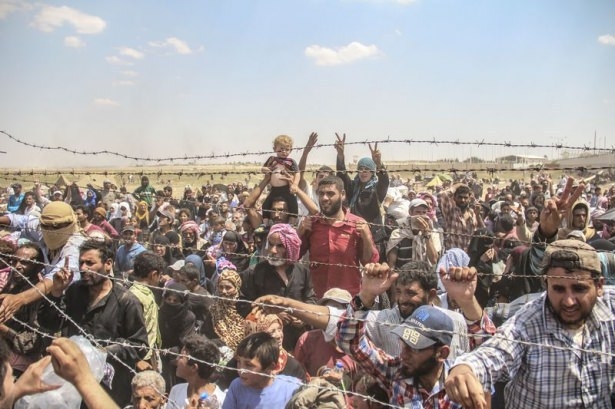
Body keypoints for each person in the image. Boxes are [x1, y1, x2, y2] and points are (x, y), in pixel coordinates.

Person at [445, 185, 615, 409]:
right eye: (559, 289)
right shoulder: (529, 321)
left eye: (579, 289)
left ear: (599, 286)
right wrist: (465, 369)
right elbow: (493, 353)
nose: (569, 301)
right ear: (545, 284)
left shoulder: (611, 308)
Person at [336, 263, 466, 407]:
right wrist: (366, 295)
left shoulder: (462, 386)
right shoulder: (396, 372)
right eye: (404, 344)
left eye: (415, 348)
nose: (403, 354)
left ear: (442, 353)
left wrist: (468, 300)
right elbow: (351, 343)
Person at [38, 239, 148, 406]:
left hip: (107, 387)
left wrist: (101, 352)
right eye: (81, 263)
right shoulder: (75, 291)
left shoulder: (126, 301)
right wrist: (56, 291)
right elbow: (49, 324)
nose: (83, 268)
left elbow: (140, 345)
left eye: (90, 263)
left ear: (108, 264)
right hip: (72, 384)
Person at [0, 201, 86, 324]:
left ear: (70, 223)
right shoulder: (41, 227)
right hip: (46, 296)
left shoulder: (75, 244)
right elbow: (20, 220)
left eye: (56, 226)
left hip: (70, 303)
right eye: (46, 226)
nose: (50, 230)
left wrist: (20, 299)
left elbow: (56, 277)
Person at [298, 175, 379, 298]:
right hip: (318, 297)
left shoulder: (357, 224)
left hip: (348, 298)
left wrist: (366, 237)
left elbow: (369, 262)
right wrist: (299, 232)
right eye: (321, 194)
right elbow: (293, 256)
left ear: (343, 194)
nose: (324, 198)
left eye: (330, 194)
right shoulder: (311, 224)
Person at [241, 223, 316, 350]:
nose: (273, 250)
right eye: (270, 244)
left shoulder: (302, 272)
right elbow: (243, 305)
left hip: (298, 341)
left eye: (280, 246)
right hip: (266, 343)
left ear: (290, 248)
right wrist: (273, 315)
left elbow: (311, 298)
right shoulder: (254, 273)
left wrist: (302, 316)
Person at [334, 134, 389, 257]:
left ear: (373, 172)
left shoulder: (376, 190)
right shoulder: (354, 187)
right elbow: (342, 176)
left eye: (367, 169)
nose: (363, 172)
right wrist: (340, 156)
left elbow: (384, 182)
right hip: (356, 235)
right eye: (361, 169)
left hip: (374, 238)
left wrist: (379, 164)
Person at [222, 332, 302, 409]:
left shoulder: (292, 388)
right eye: (239, 361)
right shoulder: (237, 387)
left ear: (270, 367)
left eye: (249, 365)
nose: (241, 370)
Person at [0, 243, 47, 376]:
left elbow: (33, 343)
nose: (17, 266)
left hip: (19, 369)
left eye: (24, 262)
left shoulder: (39, 297)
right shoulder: (13, 284)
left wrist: (4, 330)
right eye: (14, 261)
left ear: (38, 267)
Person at [167, 334, 225, 409]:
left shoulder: (221, 401)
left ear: (193, 367)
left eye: (181, 357)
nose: (177, 359)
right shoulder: (176, 391)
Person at [158, 282, 197, 392]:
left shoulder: (188, 317)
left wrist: (172, 352)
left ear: (183, 302)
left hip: (178, 354)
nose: (171, 303)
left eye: (175, 301)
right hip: (158, 353)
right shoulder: (160, 313)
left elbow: (186, 340)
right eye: (169, 299)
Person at [130, 251, 164, 372]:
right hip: (140, 358)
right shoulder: (137, 297)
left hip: (148, 353)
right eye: (160, 275)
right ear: (154, 274)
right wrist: (136, 359)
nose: (160, 279)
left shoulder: (146, 293)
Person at [201, 266, 249, 350]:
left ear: (236, 288)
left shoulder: (245, 308)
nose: (223, 291)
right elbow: (205, 333)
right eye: (221, 287)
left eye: (228, 287)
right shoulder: (215, 310)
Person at [386, 198, 440, 268]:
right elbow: (391, 264)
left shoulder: (432, 233)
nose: (421, 216)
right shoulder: (398, 233)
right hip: (402, 274)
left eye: (424, 212)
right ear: (410, 213)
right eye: (418, 212)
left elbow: (434, 260)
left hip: (424, 273)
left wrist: (426, 234)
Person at [260, 134, 300, 226]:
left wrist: (295, 184)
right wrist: (267, 169)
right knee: (266, 204)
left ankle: (292, 224)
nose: (284, 152)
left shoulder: (291, 162)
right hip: (274, 189)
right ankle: (265, 224)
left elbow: (297, 173)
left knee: (293, 204)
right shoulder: (272, 159)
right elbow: (263, 169)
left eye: (287, 149)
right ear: (274, 149)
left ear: (291, 150)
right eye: (281, 149)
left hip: (286, 188)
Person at [439, 183, 484, 251]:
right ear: (454, 198)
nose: (463, 200)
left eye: (465, 198)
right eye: (460, 197)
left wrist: (478, 216)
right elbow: (442, 195)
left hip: (467, 253)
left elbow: (483, 231)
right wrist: (459, 184)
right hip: (453, 253)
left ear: (469, 198)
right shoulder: (450, 211)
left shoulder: (472, 213)